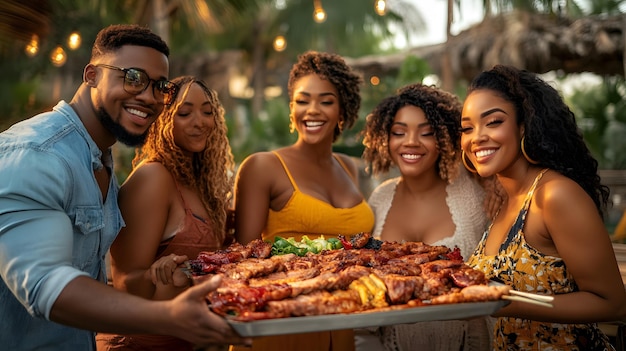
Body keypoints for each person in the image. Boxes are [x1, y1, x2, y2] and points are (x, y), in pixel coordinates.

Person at [0, 24, 249, 350]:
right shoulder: (38, 153)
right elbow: (46, 285)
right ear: (91, 75)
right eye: (133, 77)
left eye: (160, 86)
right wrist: (168, 316)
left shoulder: (98, 157)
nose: (148, 96)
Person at [461, 64, 626, 350]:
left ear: (524, 126)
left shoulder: (554, 195)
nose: (477, 137)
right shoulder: (506, 198)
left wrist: (507, 304)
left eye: (494, 122)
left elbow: (613, 305)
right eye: (466, 128)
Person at [231, 50, 374, 351]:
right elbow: (242, 262)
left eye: (326, 101)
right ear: (291, 108)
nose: (313, 110)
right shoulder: (263, 167)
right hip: (282, 325)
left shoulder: (349, 167)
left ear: (342, 111)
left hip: (340, 323)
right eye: (302, 100)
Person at [96, 76, 236, 351]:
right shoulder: (154, 177)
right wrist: (155, 275)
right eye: (184, 113)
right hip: (139, 343)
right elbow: (125, 281)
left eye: (208, 112)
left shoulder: (203, 186)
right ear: (162, 119)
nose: (200, 121)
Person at [357, 83, 496, 351]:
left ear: (444, 139)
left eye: (427, 133)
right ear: (385, 138)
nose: (410, 142)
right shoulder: (379, 199)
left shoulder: (475, 193)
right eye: (399, 132)